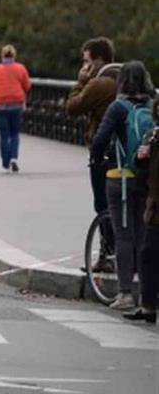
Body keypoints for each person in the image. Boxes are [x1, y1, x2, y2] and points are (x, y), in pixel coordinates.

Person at [91, 61, 156, 311]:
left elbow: (100, 141)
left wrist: (96, 160)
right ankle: (147, 294)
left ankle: (126, 293)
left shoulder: (117, 108)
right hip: (148, 179)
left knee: (123, 235)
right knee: (144, 235)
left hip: (121, 177)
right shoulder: (153, 106)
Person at [66, 37, 121, 273]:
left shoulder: (100, 84)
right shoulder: (124, 80)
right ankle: (125, 257)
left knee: (104, 204)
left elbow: (73, 106)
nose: (84, 65)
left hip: (105, 152)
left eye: (86, 60)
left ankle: (107, 256)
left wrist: (81, 81)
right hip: (127, 152)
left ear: (97, 60)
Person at [124, 100, 159, 324]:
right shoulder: (155, 133)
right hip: (155, 204)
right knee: (148, 253)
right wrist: (142, 154)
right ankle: (148, 305)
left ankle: (148, 305)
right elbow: (141, 165)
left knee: (149, 253)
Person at [0, 44, 31, 172]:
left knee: (4, 135)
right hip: (17, 103)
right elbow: (27, 85)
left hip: (1, 104)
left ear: (2, 55)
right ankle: (14, 158)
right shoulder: (20, 68)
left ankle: (5, 161)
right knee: (15, 134)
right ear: (14, 55)